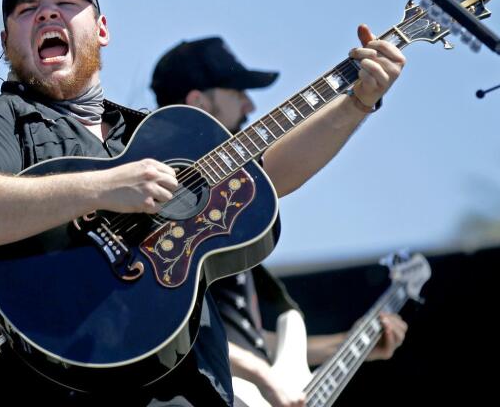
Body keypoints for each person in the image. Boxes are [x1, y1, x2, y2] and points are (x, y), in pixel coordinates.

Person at [0, 0, 406, 405]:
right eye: (27, 9)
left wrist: (357, 101)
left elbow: (268, 175)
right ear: (6, 43)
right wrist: (104, 186)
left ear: (102, 29)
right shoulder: (3, 119)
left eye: (67, 2)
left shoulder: (160, 133)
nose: (48, 14)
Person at [150, 37, 409, 407]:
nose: (249, 104)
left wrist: (348, 345)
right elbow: (162, 326)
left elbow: (235, 337)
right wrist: (260, 374)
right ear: (197, 103)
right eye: (237, 91)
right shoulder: (162, 205)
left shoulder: (230, 214)